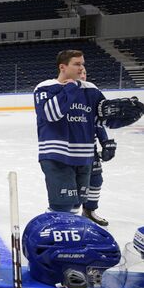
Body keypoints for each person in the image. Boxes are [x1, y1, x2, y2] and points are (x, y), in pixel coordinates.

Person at [34, 50, 143, 214]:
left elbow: (101, 118)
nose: (81, 68)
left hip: (84, 157)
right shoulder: (46, 87)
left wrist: (117, 123)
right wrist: (71, 87)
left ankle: (73, 235)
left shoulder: (91, 90)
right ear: (63, 67)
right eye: (77, 64)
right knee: (62, 205)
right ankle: (56, 235)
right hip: (56, 154)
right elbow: (51, 113)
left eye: (82, 64)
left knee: (76, 205)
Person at [80, 68, 114, 226]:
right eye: (79, 72)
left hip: (89, 148)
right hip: (68, 149)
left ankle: (89, 211)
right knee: (71, 183)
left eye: (85, 73)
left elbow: (98, 123)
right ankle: (69, 215)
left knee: (96, 179)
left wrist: (105, 142)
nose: (82, 75)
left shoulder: (92, 94)